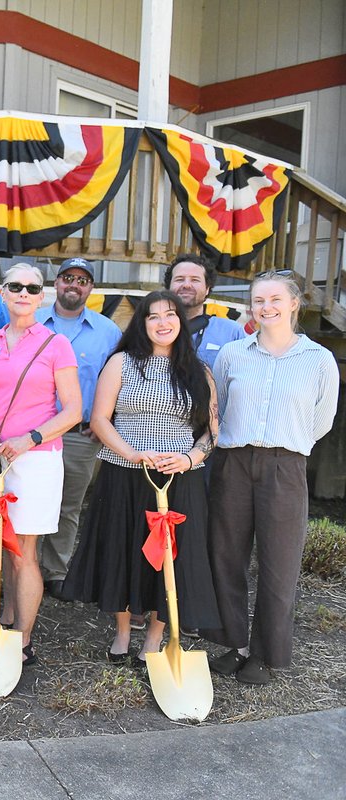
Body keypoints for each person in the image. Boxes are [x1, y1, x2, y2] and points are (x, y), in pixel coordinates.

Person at [62, 290, 221, 664]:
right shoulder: (121, 363)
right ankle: (121, 633)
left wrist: (189, 457)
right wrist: (131, 453)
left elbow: (212, 431)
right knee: (123, 548)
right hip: (126, 473)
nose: (162, 323)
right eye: (153, 316)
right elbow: (100, 419)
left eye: (170, 315)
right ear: (142, 323)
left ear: (181, 322)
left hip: (179, 478)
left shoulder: (201, 372)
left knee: (169, 559)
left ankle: (154, 637)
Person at [204, 271, 340, 686]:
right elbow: (219, 410)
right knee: (226, 556)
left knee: (279, 564)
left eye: (275, 299)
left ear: (294, 303)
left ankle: (265, 653)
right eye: (259, 300)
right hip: (234, 462)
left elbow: (321, 420)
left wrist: (286, 445)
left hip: (285, 465)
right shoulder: (231, 354)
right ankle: (235, 644)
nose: (267, 307)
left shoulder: (318, 359)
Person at [0, 264, 81, 665]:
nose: (22, 292)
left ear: (42, 297)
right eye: (14, 285)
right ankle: (5, 620)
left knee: (24, 552)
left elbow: (73, 410)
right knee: (0, 545)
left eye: (31, 287)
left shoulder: (56, 344)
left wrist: (30, 438)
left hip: (35, 461)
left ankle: (23, 640)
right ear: (2, 292)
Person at [34, 258, 121, 600]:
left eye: (82, 280)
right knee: (27, 501)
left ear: (91, 289)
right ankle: (23, 567)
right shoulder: (33, 321)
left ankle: (55, 571)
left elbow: (118, 380)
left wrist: (107, 423)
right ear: (56, 284)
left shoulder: (108, 331)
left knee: (67, 505)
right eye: (67, 277)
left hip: (80, 435)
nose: (74, 284)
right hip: (31, 433)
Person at [165, 253, 245, 368]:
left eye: (195, 280)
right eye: (179, 279)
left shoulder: (232, 332)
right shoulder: (153, 329)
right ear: (168, 287)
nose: (186, 285)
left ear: (207, 289)